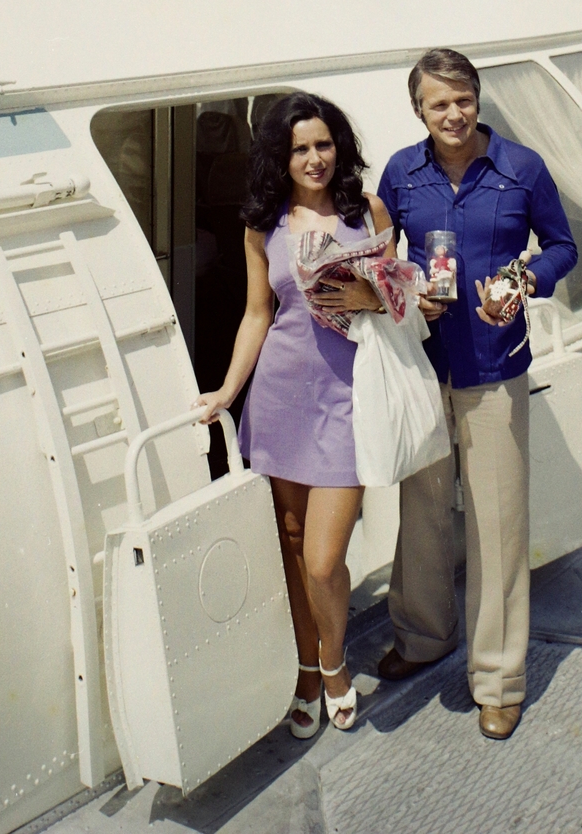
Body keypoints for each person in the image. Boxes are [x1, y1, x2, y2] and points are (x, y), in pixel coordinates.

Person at [375, 48, 577, 741]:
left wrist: (523, 282)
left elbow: (561, 246)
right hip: (425, 365)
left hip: (496, 363)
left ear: (477, 97)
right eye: (439, 104)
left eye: (462, 99)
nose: (453, 113)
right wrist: (406, 292)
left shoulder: (522, 168)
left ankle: (497, 680)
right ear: (419, 111)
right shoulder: (402, 172)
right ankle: (423, 638)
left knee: (496, 522)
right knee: (424, 510)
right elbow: (382, 257)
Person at [195, 92, 391, 738]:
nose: (314, 158)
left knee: (323, 560)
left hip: (349, 400)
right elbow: (259, 316)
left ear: (339, 147)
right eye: (299, 148)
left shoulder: (368, 213)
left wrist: (370, 293)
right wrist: (227, 392)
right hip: (281, 397)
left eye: (323, 144)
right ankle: (307, 670)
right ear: (280, 156)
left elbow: (403, 303)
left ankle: (334, 662)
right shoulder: (263, 225)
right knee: (291, 544)